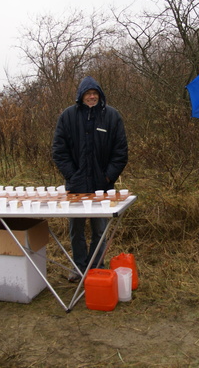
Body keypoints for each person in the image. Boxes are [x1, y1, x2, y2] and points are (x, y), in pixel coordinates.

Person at [52, 76, 128, 282]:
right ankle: (78, 267)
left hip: (102, 186)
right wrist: (72, 174)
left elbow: (120, 152)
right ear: (81, 96)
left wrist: (108, 176)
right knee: (76, 230)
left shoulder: (112, 116)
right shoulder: (68, 116)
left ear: (100, 95)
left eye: (95, 93)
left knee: (100, 230)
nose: (91, 96)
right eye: (88, 93)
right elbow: (59, 151)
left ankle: (96, 266)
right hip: (76, 186)